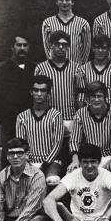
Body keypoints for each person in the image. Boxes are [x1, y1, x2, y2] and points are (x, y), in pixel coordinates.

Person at [35, 30, 81, 167]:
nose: (61, 47)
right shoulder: (41, 68)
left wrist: (77, 118)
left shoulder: (76, 67)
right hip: (50, 118)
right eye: (57, 44)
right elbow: (38, 96)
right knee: (53, 157)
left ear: (68, 47)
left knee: (71, 156)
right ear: (51, 46)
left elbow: (80, 94)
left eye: (64, 44)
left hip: (71, 118)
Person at [0, 35, 36, 167]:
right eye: (19, 45)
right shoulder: (2, 72)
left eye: (25, 45)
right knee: (10, 162)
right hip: (11, 126)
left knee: (31, 160)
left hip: (32, 124)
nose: (22, 48)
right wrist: (7, 123)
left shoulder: (35, 69)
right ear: (12, 47)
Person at [69, 81, 111, 177]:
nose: (96, 99)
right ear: (87, 99)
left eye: (99, 96)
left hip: (109, 155)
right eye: (93, 96)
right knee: (71, 172)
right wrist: (75, 160)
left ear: (105, 97)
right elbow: (74, 140)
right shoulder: (80, 113)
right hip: (89, 157)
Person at [16, 75, 64, 187]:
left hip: (51, 162)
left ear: (48, 93)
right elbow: (21, 145)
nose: (39, 94)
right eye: (36, 90)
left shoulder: (56, 116)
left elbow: (57, 144)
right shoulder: (22, 117)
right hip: (29, 161)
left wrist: (45, 164)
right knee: (20, 182)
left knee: (52, 180)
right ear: (31, 92)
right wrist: (28, 164)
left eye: (43, 90)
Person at [76, 34, 111, 111]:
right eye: (97, 47)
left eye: (103, 48)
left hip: (110, 114)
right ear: (92, 48)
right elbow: (81, 98)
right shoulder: (83, 69)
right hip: (89, 115)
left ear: (108, 49)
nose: (100, 50)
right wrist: (85, 116)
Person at [42, 0, 91, 64]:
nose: (64, 3)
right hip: (55, 69)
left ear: (72, 2)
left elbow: (85, 49)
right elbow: (47, 48)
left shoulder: (83, 23)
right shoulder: (48, 23)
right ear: (56, 2)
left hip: (76, 69)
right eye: (61, 0)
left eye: (67, 0)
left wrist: (80, 66)